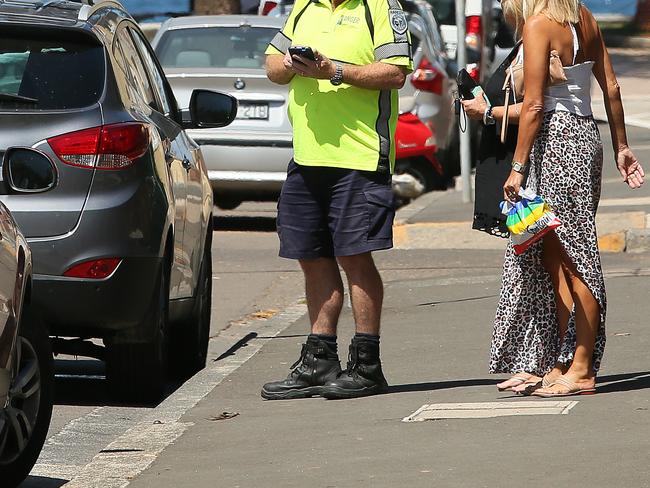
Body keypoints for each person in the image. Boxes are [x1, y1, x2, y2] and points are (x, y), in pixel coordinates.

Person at [467, 0, 644, 396]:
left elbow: (533, 104)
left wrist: (517, 166)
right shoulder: (584, 17)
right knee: (557, 255)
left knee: (576, 256)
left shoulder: (538, 25)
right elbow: (611, 86)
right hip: (584, 136)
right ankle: (562, 360)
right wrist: (621, 146)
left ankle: (582, 366)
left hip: (556, 141)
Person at [260, 0, 412, 400]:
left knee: (354, 256)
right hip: (307, 157)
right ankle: (319, 360)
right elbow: (272, 66)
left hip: (359, 157)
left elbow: (395, 74)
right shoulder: (304, 7)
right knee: (310, 255)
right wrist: (295, 64)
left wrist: (335, 71)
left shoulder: (380, 7)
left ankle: (367, 365)